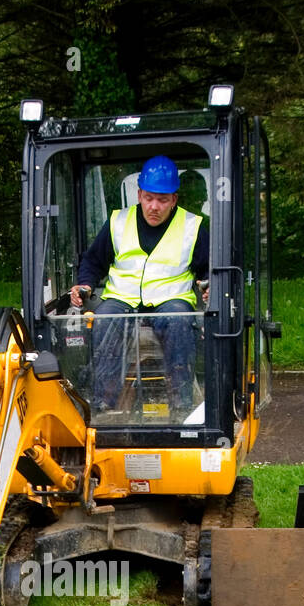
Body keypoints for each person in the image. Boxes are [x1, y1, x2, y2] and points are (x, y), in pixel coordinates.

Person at [69, 156, 209, 413]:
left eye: (163, 200)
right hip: (122, 299)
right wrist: (85, 285)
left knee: (179, 320)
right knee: (104, 318)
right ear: (139, 194)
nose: (154, 206)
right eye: (149, 198)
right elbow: (93, 261)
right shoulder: (117, 222)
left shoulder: (193, 226)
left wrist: (207, 283)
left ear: (174, 200)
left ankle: (181, 404)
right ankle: (103, 406)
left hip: (170, 299)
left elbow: (208, 266)